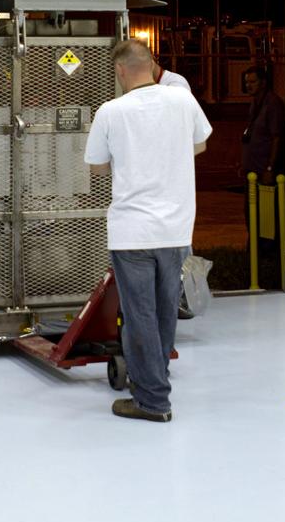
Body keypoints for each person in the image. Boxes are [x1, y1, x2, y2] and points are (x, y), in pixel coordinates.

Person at [84, 39, 212, 423]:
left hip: (132, 232)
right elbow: (201, 145)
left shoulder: (111, 111)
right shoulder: (182, 100)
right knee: (164, 311)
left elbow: (97, 169)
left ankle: (152, 401)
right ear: (152, 65)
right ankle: (157, 377)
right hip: (175, 229)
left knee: (139, 314)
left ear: (120, 70)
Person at [240, 65, 285, 287]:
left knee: (266, 216)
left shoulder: (273, 105)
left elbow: (277, 137)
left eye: (253, 82)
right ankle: (254, 253)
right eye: (247, 82)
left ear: (264, 82)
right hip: (252, 172)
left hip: (265, 174)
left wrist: (270, 168)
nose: (249, 86)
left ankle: (268, 258)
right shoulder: (255, 104)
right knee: (250, 214)